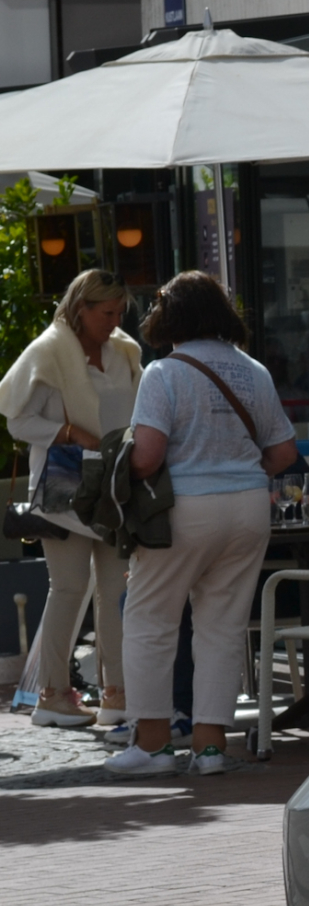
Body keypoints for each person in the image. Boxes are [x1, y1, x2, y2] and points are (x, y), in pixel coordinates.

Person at [106, 273, 297, 777]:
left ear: (173, 316)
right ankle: (211, 749)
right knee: (223, 626)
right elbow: (283, 452)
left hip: (184, 511)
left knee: (149, 621)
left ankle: (152, 746)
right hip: (250, 507)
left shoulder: (164, 373)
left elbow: (146, 458)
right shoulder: (254, 371)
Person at [1, 270, 143, 728]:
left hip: (115, 482)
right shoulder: (47, 352)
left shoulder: (123, 350)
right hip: (65, 483)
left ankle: (116, 695)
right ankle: (53, 694)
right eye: (107, 313)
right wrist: (67, 432)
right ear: (81, 309)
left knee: (116, 591)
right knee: (68, 588)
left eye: (120, 313)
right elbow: (17, 422)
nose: (115, 321)